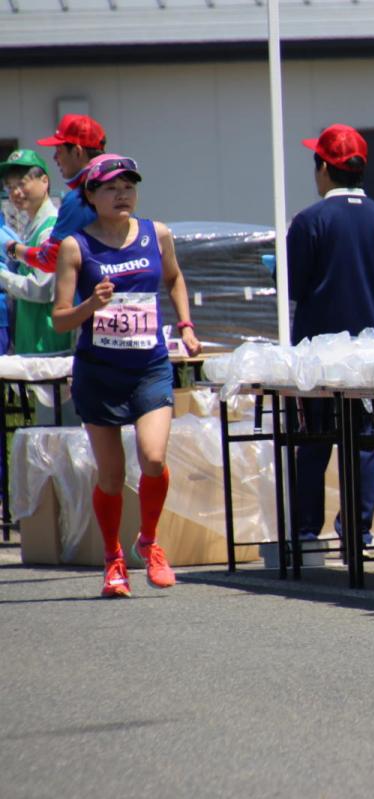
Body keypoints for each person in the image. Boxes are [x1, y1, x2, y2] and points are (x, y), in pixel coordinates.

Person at [51, 154, 201, 598]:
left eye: (129, 185)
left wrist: (187, 324)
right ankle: (113, 558)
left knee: (154, 458)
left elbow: (174, 279)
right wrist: (88, 307)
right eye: (112, 187)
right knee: (112, 476)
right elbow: (59, 319)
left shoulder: (158, 234)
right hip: (99, 370)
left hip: (149, 365)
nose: (123, 194)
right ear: (91, 195)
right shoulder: (76, 247)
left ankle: (150, 542)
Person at [288, 123, 374, 546]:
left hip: (319, 353)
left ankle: (305, 532)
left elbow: (296, 288)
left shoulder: (310, 220)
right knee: (364, 440)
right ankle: (357, 530)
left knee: (313, 441)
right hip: (370, 351)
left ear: (323, 168)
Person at [5, 114, 106, 276]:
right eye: (9, 186)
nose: (54, 158)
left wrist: (12, 250)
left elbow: (50, 259)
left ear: (77, 152)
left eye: (59, 151)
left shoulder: (79, 198)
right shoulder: (117, 188)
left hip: (94, 295)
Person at [0, 149, 74, 354]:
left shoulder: (50, 230)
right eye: (10, 186)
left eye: (22, 183)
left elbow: (42, 289)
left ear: (44, 181)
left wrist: (2, 276)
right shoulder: (33, 226)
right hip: (33, 339)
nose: (15, 192)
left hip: (47, 343)